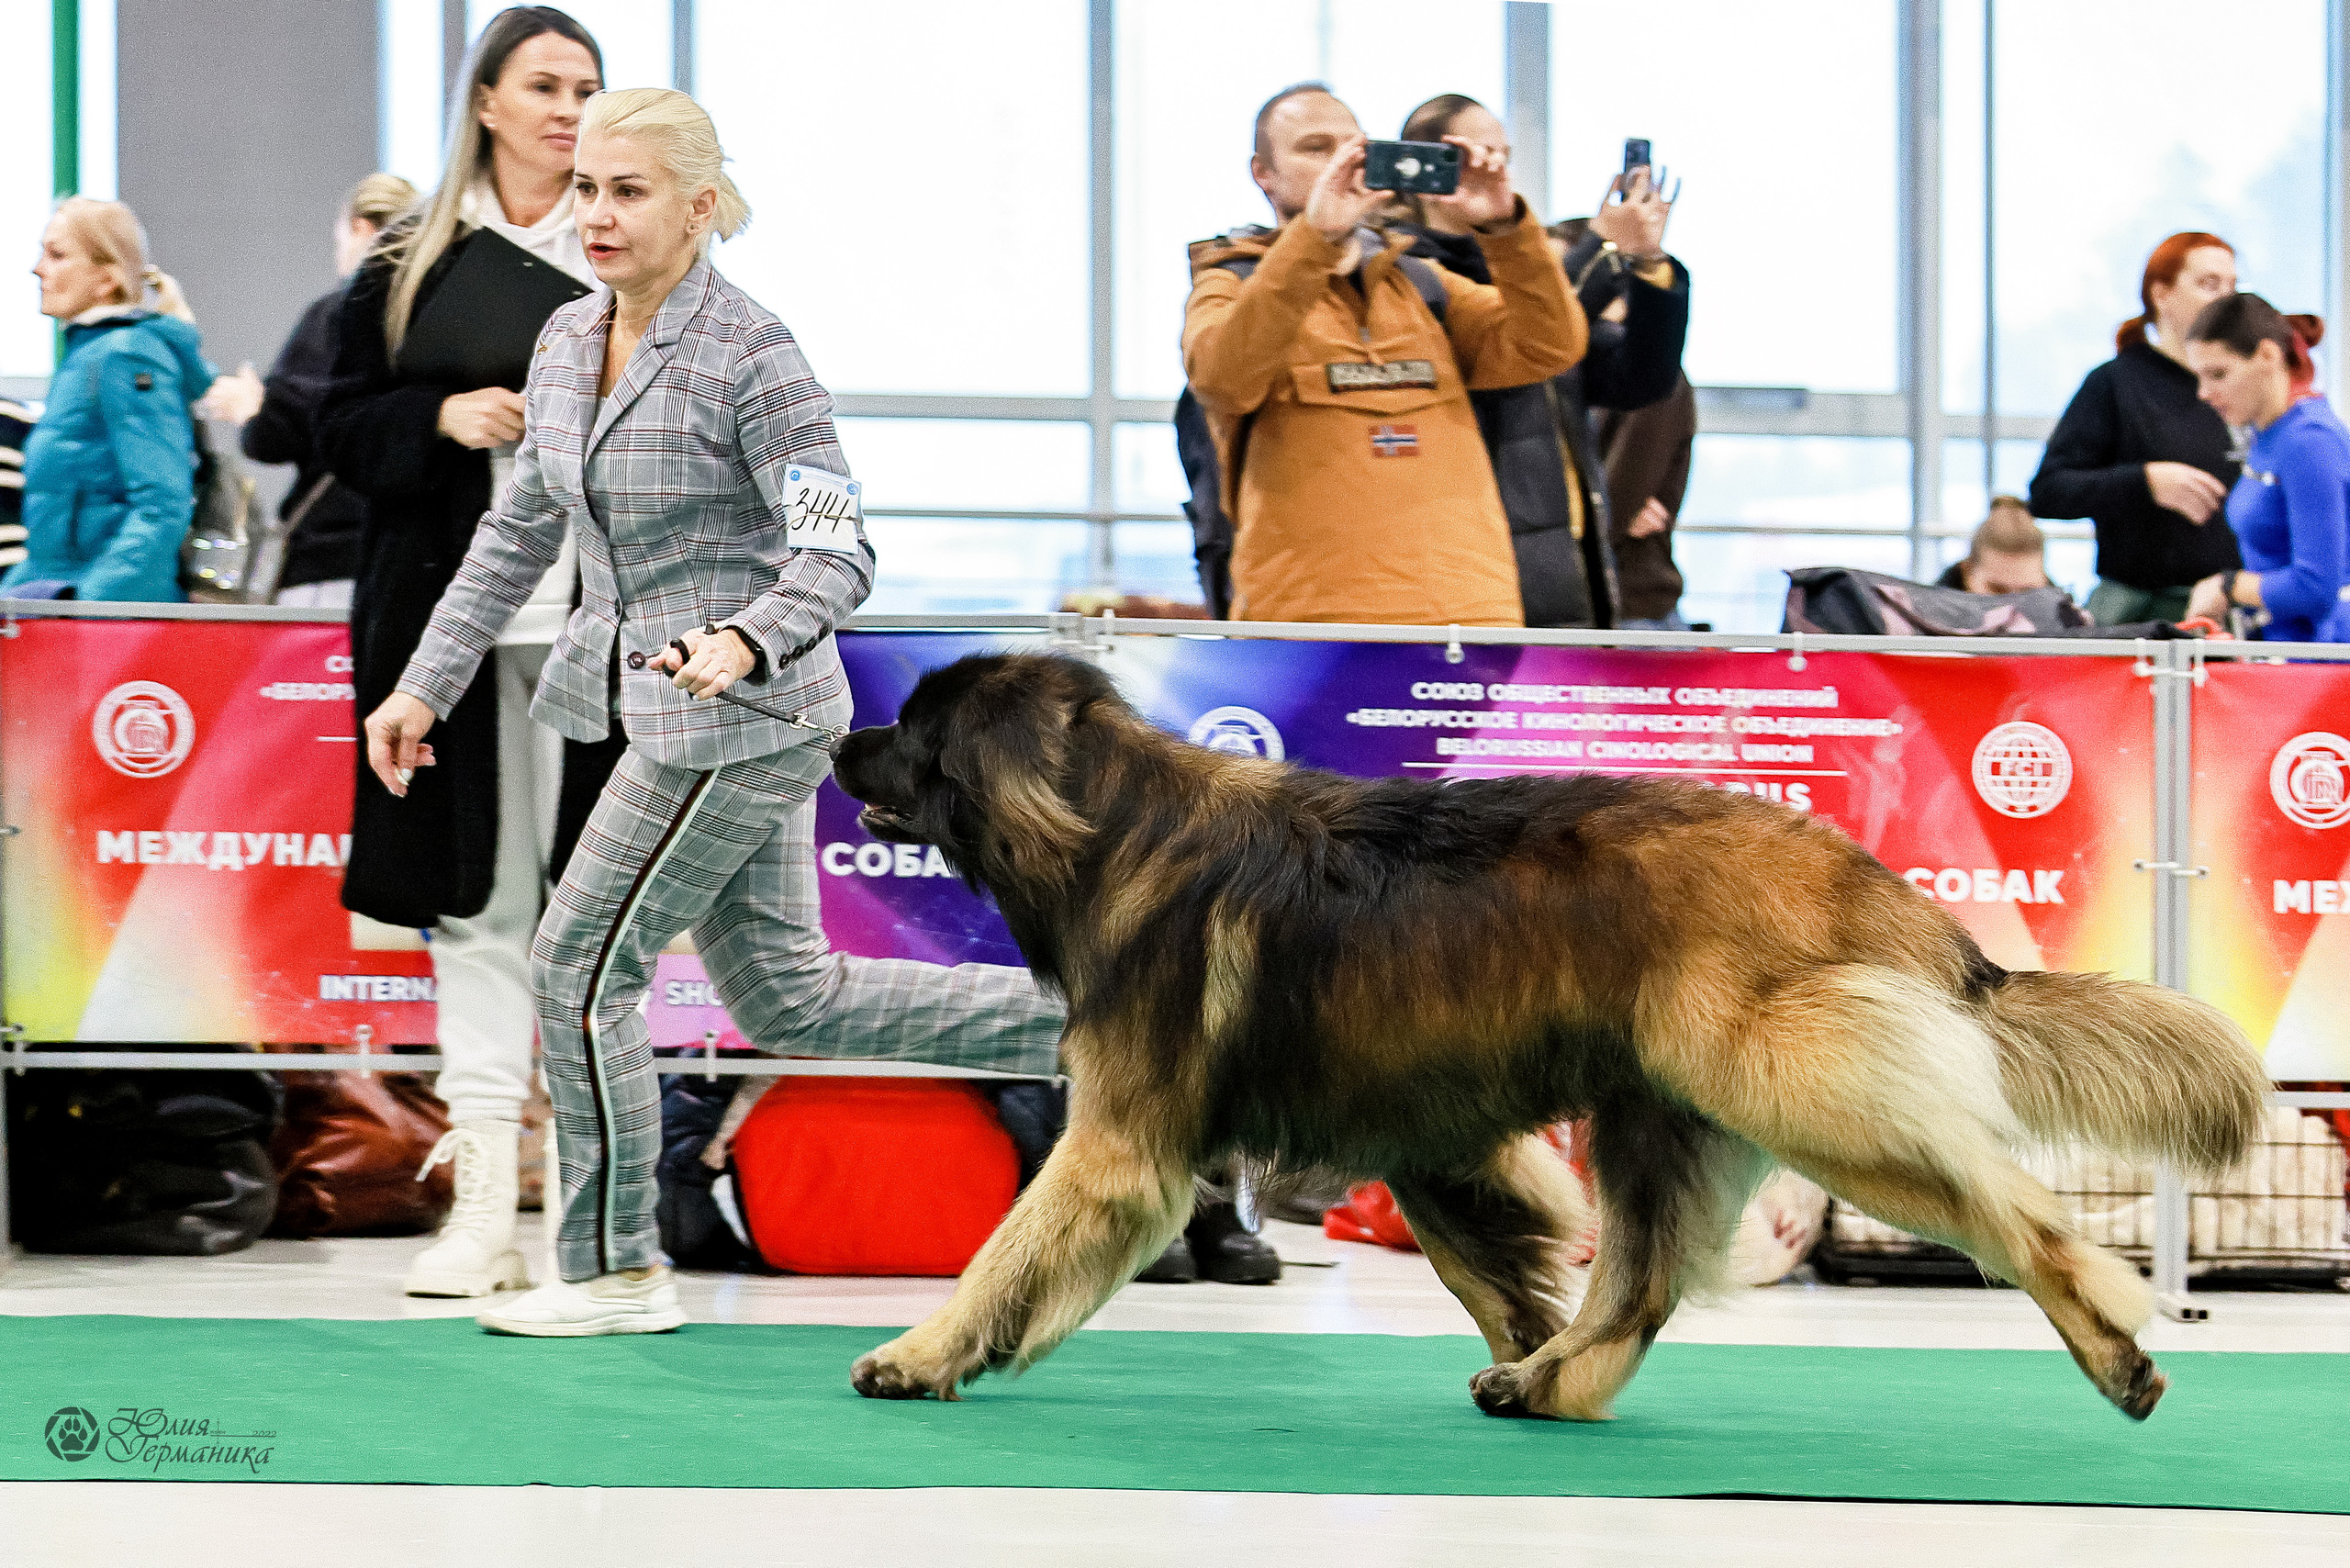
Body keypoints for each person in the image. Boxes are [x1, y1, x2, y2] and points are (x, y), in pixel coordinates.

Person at [361, 86, 1067, 1336]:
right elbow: (521, 526)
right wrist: (427, 680)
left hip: (751, 714)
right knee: (794, 1001)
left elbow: (839, 554)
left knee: (576, 969)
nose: (597, 214)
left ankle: (612, 1268)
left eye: (627, 191)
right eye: (585, 187)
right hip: (654, 706)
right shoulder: (570, 338)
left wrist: (746, 637)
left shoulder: (755, 349)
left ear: (699, 207)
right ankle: (1115, 1017)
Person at [319, 6, 614, 1301]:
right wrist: (441, 414)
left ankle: (601, 1223)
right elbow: (326, 429)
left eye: (587, 89)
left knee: (591, 928)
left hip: (610, 639)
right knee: (480, 920)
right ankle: (485, 1209)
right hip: (452, 633)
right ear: (486, 100)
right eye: (545, 85)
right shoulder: (408, 263)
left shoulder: (634, 250)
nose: (567, 108)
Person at [1182, 83, 1585, 627]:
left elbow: (1550, 345)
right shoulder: (1228, 284)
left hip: (1467, 620)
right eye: (1316, 148)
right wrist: (1314, 239)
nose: (1342, 164)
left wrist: (1502, 226)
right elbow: (1224, 379)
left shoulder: (1421, 283)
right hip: (1308, 625)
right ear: (1264, 173)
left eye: (1354, 148)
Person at [1389, 97, 1690, 630]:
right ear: (1423, 166)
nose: (1492, 168)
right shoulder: (1400, 274)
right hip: (1473, 573)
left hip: (1571, 567)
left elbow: (1638, 379)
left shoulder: (1525, 262)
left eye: (1501, 155)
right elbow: (1526, 337)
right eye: (1476, 154)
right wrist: (1600, 243)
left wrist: (1647, 264)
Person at [205, 173, 420, 606]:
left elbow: (277, 435)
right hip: (414, 555)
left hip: (330, 560)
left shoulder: (337, 315)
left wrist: (253, 408)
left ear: (359, 228)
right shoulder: (433, 320)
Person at [2029, 232, 2243, 625]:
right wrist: (2145, 481)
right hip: (2138, 618)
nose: (2225, 299)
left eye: (2232, 286)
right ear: (2161, 295)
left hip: (2225, 615)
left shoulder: (2242, 387)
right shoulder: (2116, 383)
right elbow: (2048, 492)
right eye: (2209, 284)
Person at [10, 197, 215, 602]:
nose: (38, 269)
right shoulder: (90, 357)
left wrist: (88, 601)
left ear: (106, 280)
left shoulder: (126, 355)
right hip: (64, 606)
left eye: (57, 255)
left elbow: (163, 504)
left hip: (110, 624)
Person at [2182, 295, 2350, 643]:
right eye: (2199, 376)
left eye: (2218, 374)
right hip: (2278, 651)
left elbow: (2316, 586)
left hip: (2318, 665)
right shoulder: (2269, 434)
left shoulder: (2309, 442)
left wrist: (2227, 587)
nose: (2204, 392)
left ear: (2268, 356)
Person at [1935, 496, 2052, 596]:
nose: (2011, 602)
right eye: (1997, 590)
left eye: (2027, 592)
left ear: (2043, 578)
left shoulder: (2061, 617)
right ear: (1967, 572)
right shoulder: (1925, 617)